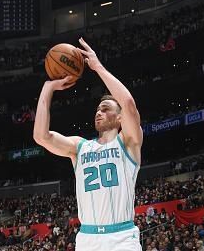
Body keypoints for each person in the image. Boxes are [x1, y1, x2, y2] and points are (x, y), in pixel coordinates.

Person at [34, 37, 143, 251]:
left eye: (105, 108)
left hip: (121, 237)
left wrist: (98, 67)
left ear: (120, 118)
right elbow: (41, 136)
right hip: (87, 238)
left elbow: (128, 104)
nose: (99, 112)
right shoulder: (80, 146)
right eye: (97, 109)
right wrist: (48, 89)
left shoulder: (128, 142)